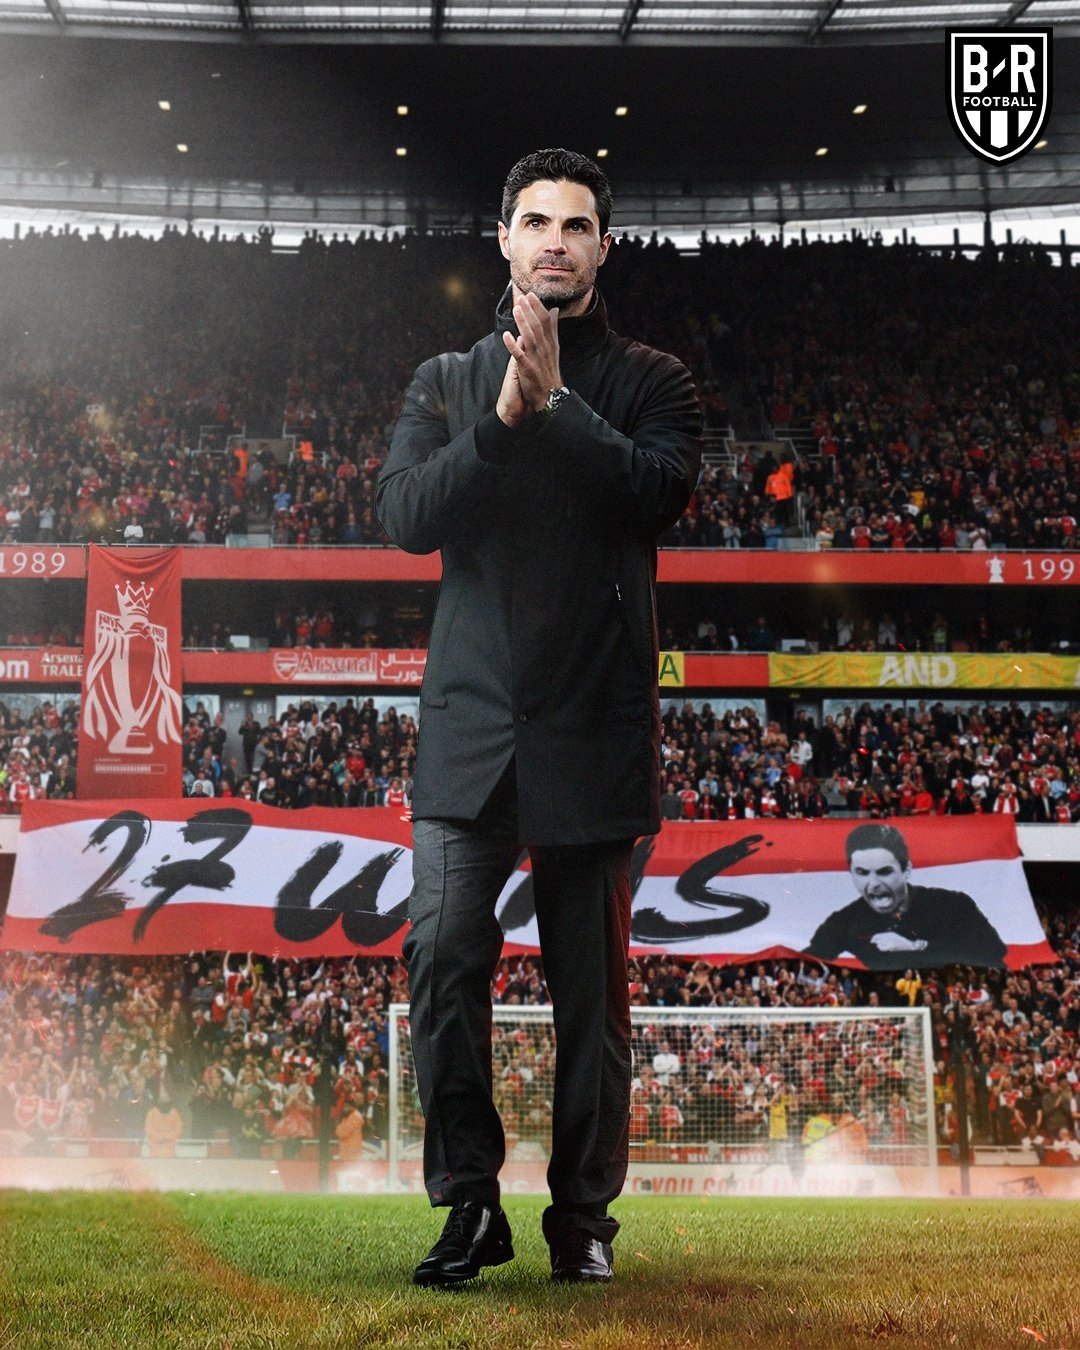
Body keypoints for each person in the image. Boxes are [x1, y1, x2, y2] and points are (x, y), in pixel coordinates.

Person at [375, 148, 701, 1288]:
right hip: (469, 732)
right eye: (536, 222)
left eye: (576, 224)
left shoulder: (655, 379)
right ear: (505, 240)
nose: (555, 240)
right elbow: (404, 517)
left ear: (604, 246)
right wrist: (502, 422)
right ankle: (469, 1203)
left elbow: (657, 491)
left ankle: (583, 1221)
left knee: (591, 1002)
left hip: (593, 732)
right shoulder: (445, 380)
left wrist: (555, 405)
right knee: (440, 957)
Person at [803, 822, 1008, 970]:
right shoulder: (845, 920)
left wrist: (915, 946)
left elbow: (993, 951)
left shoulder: (953, 905)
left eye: (884, 872)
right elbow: (810, 957)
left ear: (906, 870)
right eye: (862, 873)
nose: (873, 884)